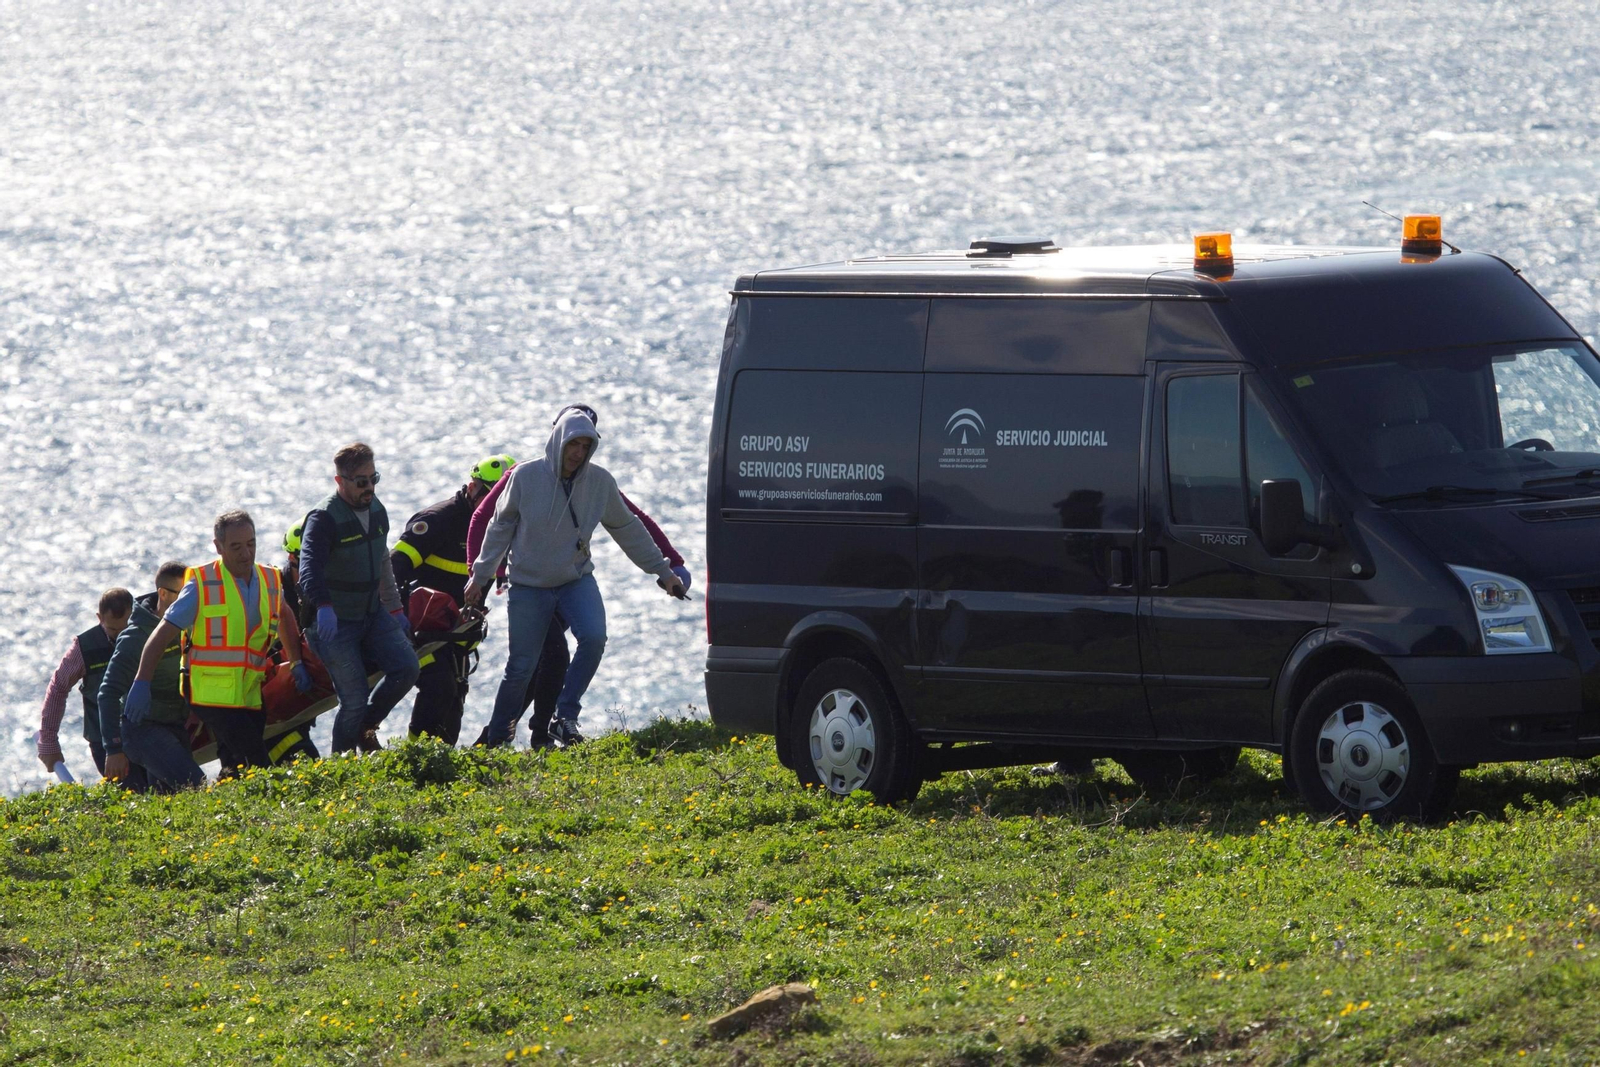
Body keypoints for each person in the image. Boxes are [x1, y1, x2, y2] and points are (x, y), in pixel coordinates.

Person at [465, 410, 690, 747]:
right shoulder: (525, 476)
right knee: (521, 669)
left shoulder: (599, 482)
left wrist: (664, 570)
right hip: (528, 586)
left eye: (586, 446)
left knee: (594, 638)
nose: (578, 453)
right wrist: (480, 575)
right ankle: (497, 741)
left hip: (575, 580)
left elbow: (630, 528)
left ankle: (564, 716)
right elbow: (497, 526)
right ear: (558, 441)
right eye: (573, 444)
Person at [126, 510, 312, 772]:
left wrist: (296, 663)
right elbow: (161, 635)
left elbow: (284, 614)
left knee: (235, 759)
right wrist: (142, 681)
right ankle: (271, 799)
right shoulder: (202, 584)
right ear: (219, 547)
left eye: (251, 544)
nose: (245, 554)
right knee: (254, 756)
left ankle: (231, 796)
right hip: (208, 693)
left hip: (247, 690)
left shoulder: (269, 579)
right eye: (236, 547)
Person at [298, 442, 419, 753]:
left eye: (373, 478)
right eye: (361, 481)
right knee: (353, 698)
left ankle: (366, 727)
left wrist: (394, 609)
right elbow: (308, 570)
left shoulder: (377, 511)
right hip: (334, 622)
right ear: (340, 481)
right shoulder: (323, 518)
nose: (369, 488)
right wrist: (324, 607)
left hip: (371, 612)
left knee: (407, 668)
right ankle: (342, 765)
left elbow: (383, 562)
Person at [390, 454, 511, 744]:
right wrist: (399, 620)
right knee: (439, 686)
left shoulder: (502, 530)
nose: (494, 505)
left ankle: (438, 767)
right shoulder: (438, 521)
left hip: (456, 635)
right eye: (489, 495)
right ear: (472, 487)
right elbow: (395, 568)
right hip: (422, 631)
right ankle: (416, 758)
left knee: (454, 701)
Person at [99, 562, 191, 790]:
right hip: (143, 731)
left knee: (170, 800)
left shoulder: (190, 626)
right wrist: (113, 749)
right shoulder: (135, 638)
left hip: (176, 724)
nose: (192, 600)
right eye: (185, 594)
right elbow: (107, 694)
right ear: (163, 593)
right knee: (193, 786)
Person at [36, 587, 134, 777]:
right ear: (100, 618)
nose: (120, 635)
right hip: (103, 741)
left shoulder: (145, 633)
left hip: (145, 733)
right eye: (113, 629)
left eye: (125, 628)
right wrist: (48, 742)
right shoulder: (84, 647)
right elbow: (58, 688)